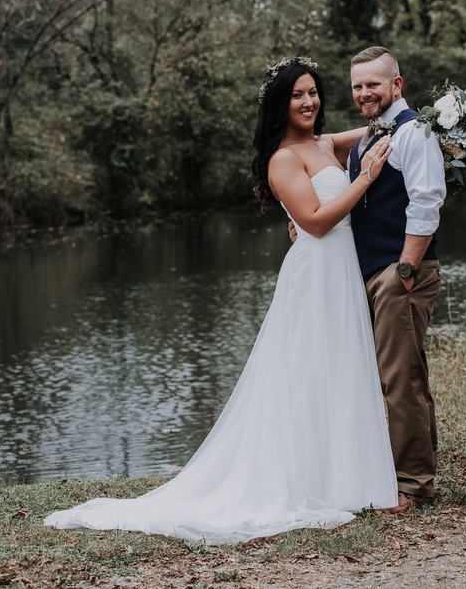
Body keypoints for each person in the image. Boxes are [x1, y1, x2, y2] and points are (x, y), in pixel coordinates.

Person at [44, 56, 398, 544]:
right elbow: (315, 221)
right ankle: (300, 480)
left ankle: (344, 479)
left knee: (338, 369)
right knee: (303, 374)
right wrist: (365, 180)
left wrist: (443, 122)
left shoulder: (324, 143)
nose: (308, 101)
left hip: (340, 274)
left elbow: (380, 129)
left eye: (313, 91)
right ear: (280, 103)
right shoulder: (282, 159)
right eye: (297, 94)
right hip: (314, 275)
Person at [348, 46, 446, 514]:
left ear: (396, 85)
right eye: (357, 85)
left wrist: (403, 273)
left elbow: (426, 201)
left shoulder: (413, 133)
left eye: (373, 83)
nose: (364, 92)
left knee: (399, 379)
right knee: (403, 373)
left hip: (399, 273)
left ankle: (411, 483)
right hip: (373, 272)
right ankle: (413, 473)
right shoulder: (371, 135)